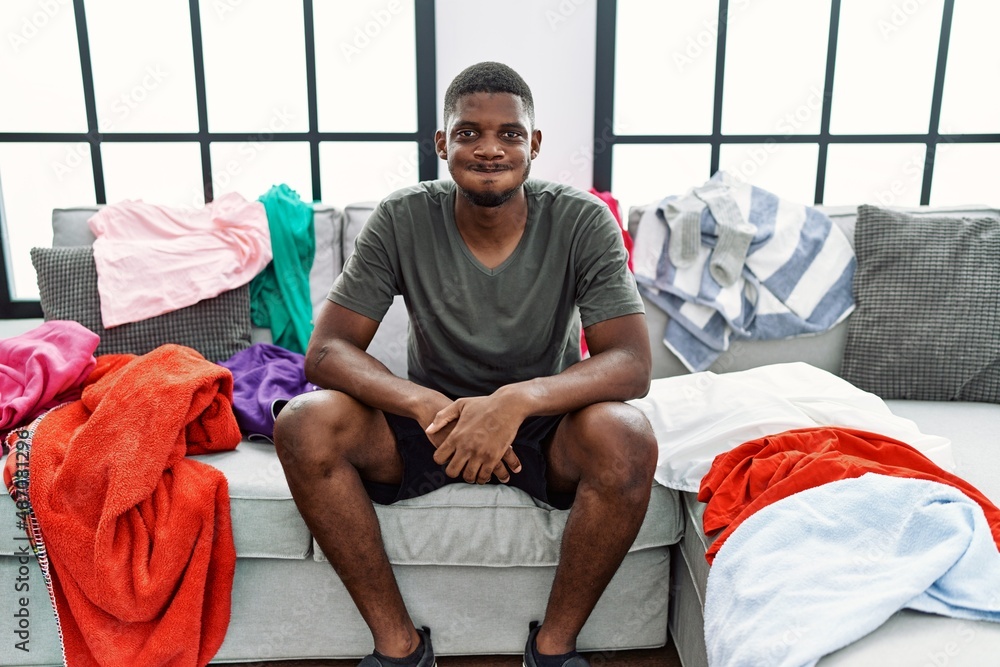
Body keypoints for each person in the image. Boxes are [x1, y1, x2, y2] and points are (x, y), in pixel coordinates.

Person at [273, 61, 658, 667]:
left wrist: (517, 401)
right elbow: (325, 351)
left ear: (533, 145)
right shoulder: (402, 217)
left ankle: (553, 650)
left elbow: (631, 364)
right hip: (428, 425)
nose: (489, 148)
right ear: (442, 144)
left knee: (627, 436)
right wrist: (423, 403)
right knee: (303, 421)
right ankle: (398, 649)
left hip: (543, 426)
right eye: (469, 132)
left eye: (509, 134)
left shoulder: (582, 220)